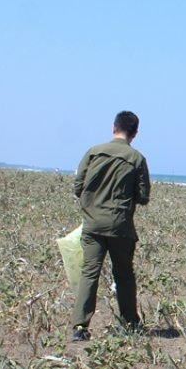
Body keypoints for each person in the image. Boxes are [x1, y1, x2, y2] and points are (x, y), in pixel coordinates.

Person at [71, 111, 151, 341]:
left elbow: (78, 187)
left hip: (93, 223)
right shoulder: (136, 159)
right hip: (120, 226)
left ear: (113, 127)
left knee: (90, 273)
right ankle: (130, 323)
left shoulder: (93, 152)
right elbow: (143, 196)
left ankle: (79, 326)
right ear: (135, 133)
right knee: (124, 275)